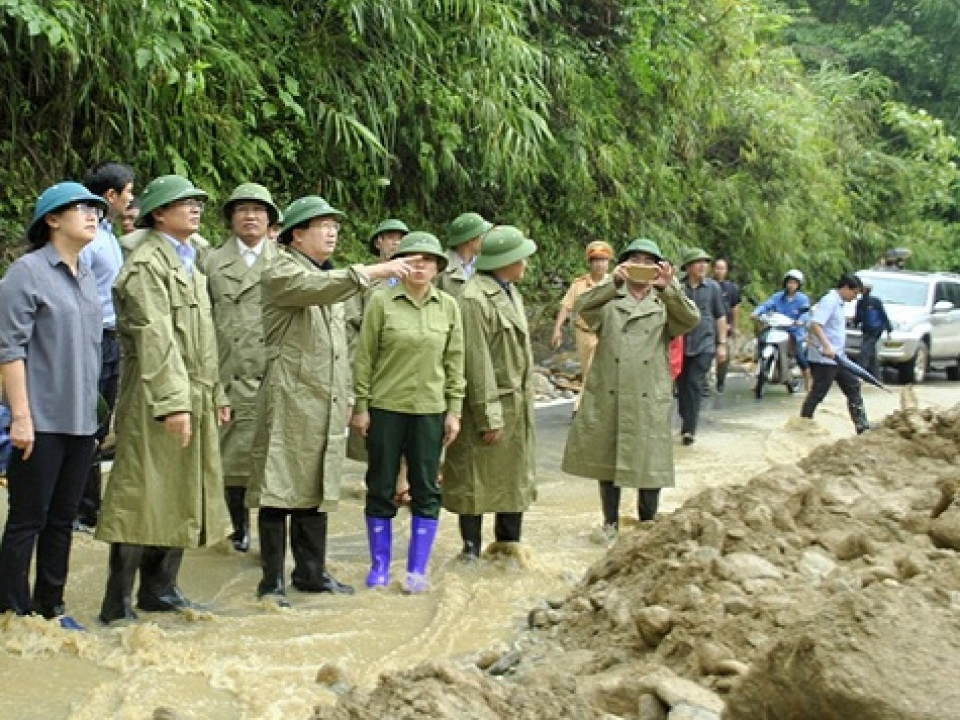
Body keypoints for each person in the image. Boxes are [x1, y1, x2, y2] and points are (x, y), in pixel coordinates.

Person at [248, 196, 414, 608]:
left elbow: (341, 348)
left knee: (317, 486)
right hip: (288, 398)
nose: (332, 231)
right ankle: (270, 583)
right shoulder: (281, 269)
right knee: (277, 488)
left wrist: (349, 397)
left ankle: (311, 572)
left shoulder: (327, 275)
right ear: (297, 234)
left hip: (324, 400)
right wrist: (378, 270)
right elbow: (316, 289)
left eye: (334, 225)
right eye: (322, 225)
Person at [95, 175, 232, 624]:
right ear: (159, 213)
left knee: (182, 491)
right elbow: (156, 339)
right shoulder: (145, 266)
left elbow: (204, 337)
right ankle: (117, 603)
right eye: (184, 203)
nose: (195, 208)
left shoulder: (190, 260)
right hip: (157, 396)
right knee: (141, 494)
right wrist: (175, 403)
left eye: (197, 202)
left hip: (195, 391)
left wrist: (217, 393)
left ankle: (160, 589)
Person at [0, 182, 108, 629]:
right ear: (52, 220)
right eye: (81, 208)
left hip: (82, 421)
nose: (92, 215)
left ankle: (52, 606)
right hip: (40, 420)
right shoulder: (27, 272)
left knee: (63, 518)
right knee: (29, 517)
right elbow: (9, 349)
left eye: (96, 210)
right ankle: (12, 612)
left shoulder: (86, 275)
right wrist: (21, 418)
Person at [561, 238, 700, 538]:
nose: (642, 266)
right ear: (624, 265)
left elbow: (691, 319)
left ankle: (646, 529)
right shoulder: (609, 298)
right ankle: (609, 525)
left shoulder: (665, 303)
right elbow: (581, 308)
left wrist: (669, 288)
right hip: (611, 390)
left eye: (650, 262)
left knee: (650, 466)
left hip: (649, 395)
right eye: (636, 260)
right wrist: (612, 282)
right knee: (608, 463)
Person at [352, 232, 465, 591]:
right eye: (412, 260)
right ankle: (380, 567)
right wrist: (361, 406)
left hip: (430, 410)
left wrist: (454, 410)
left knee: (426, 488)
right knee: (381, 485)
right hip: (386, 407)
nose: (420, 266)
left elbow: (455, 362)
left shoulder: (448, 306)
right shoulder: (381, 303)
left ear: (437, 268)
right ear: (400, 265)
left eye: (428, 261)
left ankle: (417, 569)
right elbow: (365, 358)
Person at [442, 225, 538, 560]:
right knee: (475, 483)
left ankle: (507, 552)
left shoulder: (511, 292)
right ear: (505, 260)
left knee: (513, 482)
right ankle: (470, 554)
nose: (526, 263)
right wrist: (488, 416)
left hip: (516, 404)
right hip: (490, 406)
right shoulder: (473, 299)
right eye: (521, 257)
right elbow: (476, 362)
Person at [203, 183, 281, 553]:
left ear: (270, 221)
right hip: (227, 373)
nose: (251, 216)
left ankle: (270, 535)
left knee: (271, 457)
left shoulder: (282, 262)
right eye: (242, 210)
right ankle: (237, 529)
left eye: (259, 210)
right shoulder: (211, 262)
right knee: (231, 459)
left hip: (271, 374)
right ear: (231, 218)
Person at [74, 162, 136, 531]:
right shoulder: (89, 237)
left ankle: (90, 506)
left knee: (99, 426)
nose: (132, 198)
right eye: (128, 191)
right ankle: (79, 509)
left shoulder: (108, 233)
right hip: (91, 339)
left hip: (111, 341)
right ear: (110, 195)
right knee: (85, 422)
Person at [801, 273, 870, 434]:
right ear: (845, 288)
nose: (855, 297)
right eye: (854, 293)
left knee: (853, 386)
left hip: (838, 358)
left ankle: (862, 426)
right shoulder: (830, 301)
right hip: (826, 358)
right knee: (818, 392)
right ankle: (803, 423)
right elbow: (816, 324)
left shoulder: (838, 303)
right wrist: (826, 346)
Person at [551, 240, 614, 413]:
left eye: (603, 260)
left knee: (606, 370)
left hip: (608, 333)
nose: (599, 264)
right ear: (590, 263)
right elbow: (566, 306)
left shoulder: (615, 284)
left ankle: (594, 407)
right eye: (595, 260)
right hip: (585, 333)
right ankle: (583, 407)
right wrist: (557, 329)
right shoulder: (579, 284)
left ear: (608, 262)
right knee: (589, 370)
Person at [677, 248, 728, 445]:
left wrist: (722, 344)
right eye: (698, 262)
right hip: (681, 343)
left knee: (694, 383)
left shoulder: (713, 288)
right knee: (681, 386)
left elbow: (720, 316)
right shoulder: (678, 288)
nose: (702, 266)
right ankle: (686, 418)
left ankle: (690, 430)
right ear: (688, 267)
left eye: (705, 262)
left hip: (705, 343)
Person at [750, 269, 812, 391]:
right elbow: (766, 306)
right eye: (789, 282)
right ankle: (758, 379)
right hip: (776, 329)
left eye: (794, 283)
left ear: (799, 285)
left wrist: (800, 320)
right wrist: (756, 313)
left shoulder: (802, 299)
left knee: (800, 357)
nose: (791, 285)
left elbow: (806, 313)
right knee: (761, 342)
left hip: (793, 331)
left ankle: (808, 385)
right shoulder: (777, 297)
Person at [434, 211, 493, 298]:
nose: (485, 239)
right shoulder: (441, 267)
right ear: (470, 239)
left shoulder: (485, 266)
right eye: (482, 235)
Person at [711, 258, 741, 393]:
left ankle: (720, 381)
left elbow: (735, 307)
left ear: (726, 271)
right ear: (713, 269)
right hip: (708, 326)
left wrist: (734, 326)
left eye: (722, 268)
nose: (719, 271)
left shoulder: (731, 288)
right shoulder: (708, 285)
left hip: (725, 327)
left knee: (724, 357)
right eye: (717, 268)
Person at [853, 279, 892, 382]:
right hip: (866, 330)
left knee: (864, 352)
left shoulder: (875, 302)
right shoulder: (860, 302)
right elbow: (858, 317)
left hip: (876, 330)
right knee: (871, 353)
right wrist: (854, 323)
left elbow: (883, 316)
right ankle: (877, 376)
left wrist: (889, 330)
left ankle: (859, 374)